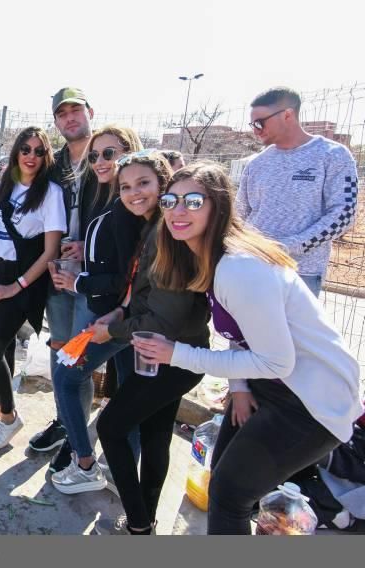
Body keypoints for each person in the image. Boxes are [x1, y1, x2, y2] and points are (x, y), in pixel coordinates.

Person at [132, 161, 363, 535]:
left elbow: (275, 360)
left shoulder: (239, 269)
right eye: (170, 201)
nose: (177, 211)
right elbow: (241, 335)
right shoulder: (213, 258)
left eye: (193, 201)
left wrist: (175, 353)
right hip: (273, 386)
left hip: (311, 402)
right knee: (223, 474)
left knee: (228, 495)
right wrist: (239, 389)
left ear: (218, 206)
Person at [60, 151, 209, 535]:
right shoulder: (152, 227)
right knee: (156, 433)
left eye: (143, 183)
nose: (133, 193)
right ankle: (145, 522)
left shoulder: (168, 235)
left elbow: (163, 318)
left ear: (163, 183)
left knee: (110, 427)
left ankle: (139, 522)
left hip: (172, 353)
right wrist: (121, 313)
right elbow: (142, 292)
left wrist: (114, 330)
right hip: (172, 349)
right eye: (125, 186)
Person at [46, 126, 145, 475]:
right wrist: (83, 252)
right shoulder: (109, 196)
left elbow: (124, 276)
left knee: (66, 374)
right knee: (127, 394)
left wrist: (78, 280)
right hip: (120, 310)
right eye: (93, 156)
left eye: (109, 153)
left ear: (129, 153)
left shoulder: (127, 204)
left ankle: (83, 460)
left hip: (114, 312)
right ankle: (122, 471)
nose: (100, 162)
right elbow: (114, 258)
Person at [0, 127, 65, 451]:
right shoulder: (3, 184)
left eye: (39, 151)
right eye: (26, 148)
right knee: (6, 349)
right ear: (16, 152)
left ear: (46, 156)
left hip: (27, 280)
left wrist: (16, 287)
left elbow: (50, 252)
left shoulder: (50, 193)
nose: (31, 156)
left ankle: (10, 418)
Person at [30, 87, 102, 457]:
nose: (70, 117)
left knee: (79, 360)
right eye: (62, 113)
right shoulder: (54, 164)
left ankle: (78, 438)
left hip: (94, 278)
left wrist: (88, 250)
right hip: (58, 274)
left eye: (76, 110)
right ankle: (65, 422)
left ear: (90, 111)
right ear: (56, 121)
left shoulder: (106, 155)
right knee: (62, 352)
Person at [237, 86, 358, 297]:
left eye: (260, 122)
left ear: (287, 115)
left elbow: (344, 214)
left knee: (293, 331)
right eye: (252, 124)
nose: (255, 130)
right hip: (252, 267)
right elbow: (240, 213)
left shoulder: (332, 155)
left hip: (301, 273)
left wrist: (289, 246)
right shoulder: (256, 163)